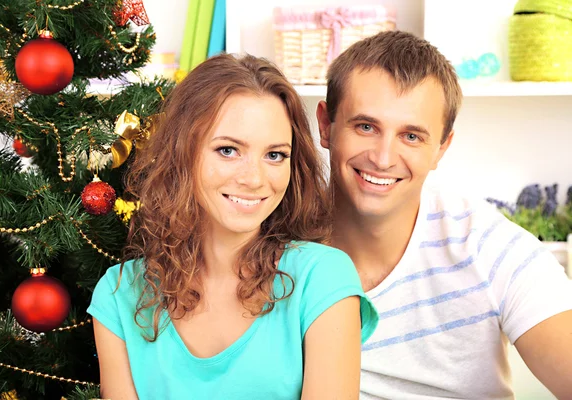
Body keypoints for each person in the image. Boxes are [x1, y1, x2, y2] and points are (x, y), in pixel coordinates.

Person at [87, 53, 378, 400]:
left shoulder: (323, 278)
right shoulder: (120, 294)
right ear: (183, 154)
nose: (254, 179)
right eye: (228, 150)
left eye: (275, 155)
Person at [316, 30, 572, 399]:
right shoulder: (274, 240)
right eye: (366, 126)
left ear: (441, 147)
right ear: (326, 125)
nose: (383, 158)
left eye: (412, 136)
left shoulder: (490, 248)